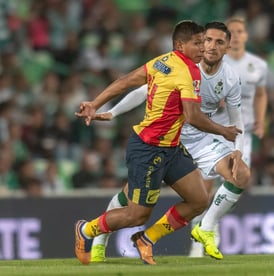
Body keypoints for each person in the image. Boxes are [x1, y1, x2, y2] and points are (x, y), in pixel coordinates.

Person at [73, 20, 242, 266]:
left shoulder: (161, 62)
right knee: (136, 214)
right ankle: (86, 230)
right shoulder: (188, 72)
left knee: (198, 200)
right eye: (197, 43)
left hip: (170, 148)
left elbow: (127, 81)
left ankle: (147, 239)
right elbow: (193, 116)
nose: (203, 49)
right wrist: (223, 131)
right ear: (179, 45)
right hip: (148, 148)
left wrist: (95, 104)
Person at [216, 17, 269, 168]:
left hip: (243, 131)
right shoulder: (214, 63)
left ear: (246, 35)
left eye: (240, 31)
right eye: (231, 32)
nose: (236, 36)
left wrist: (260, 121)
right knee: (207, 181)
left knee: (239, 177)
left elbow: (260, 94)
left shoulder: (259, 65)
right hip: (216, 129)